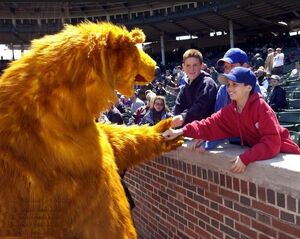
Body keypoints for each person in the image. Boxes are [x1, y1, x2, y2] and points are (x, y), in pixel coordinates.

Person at [163, 67, 300, 174]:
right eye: (228, 84)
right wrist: (179, 131)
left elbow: (272, 143)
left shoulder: (261, 107)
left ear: (248, 87)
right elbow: (209, 124)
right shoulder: (231, 109)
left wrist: (246, 158)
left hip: (285, 153)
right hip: (264, 154)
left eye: (234, 84)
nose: (229, 89)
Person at [172, 49, 218, 128]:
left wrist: (183, 117)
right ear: (183, 67)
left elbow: (200, 108)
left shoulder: (207, 83)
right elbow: (177, 108)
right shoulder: (184, 88)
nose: (191, 69)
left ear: (201, 66)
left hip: (208, 131)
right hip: (190, 131)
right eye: (188, 65)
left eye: (195, 65)